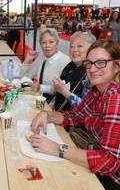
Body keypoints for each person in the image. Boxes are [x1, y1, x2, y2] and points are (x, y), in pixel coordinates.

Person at [30, 39, 120, 190]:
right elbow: (74, 116)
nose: (92, 69)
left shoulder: (115, 98)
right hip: (98, 166)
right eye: (89, 63)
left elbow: (109, 163)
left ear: (116, 66)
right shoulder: (97, 90)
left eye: (100, 63)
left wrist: (57, 149)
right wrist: (46, 114)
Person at [21, 28, 70, 102]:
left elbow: (62, 89)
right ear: (40, 44)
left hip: (54, 103)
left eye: (51, 42)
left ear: (57, 43)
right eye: (44, 42)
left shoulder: (65, 61)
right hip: (38, 99)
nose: (47, 45)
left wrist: (40, 87)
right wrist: (27, 60)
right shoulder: (41, 58)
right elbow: (25, 77)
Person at [52, 32, 96, 111]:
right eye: (71, 47)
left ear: (91, 49)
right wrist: (51, 104)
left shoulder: (92, 72)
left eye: (80, 46)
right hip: (60, 115)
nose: (74, 50)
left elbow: (86, 108)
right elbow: (59, 93)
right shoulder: (70, 67)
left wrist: (64, 91)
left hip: (76, 121)